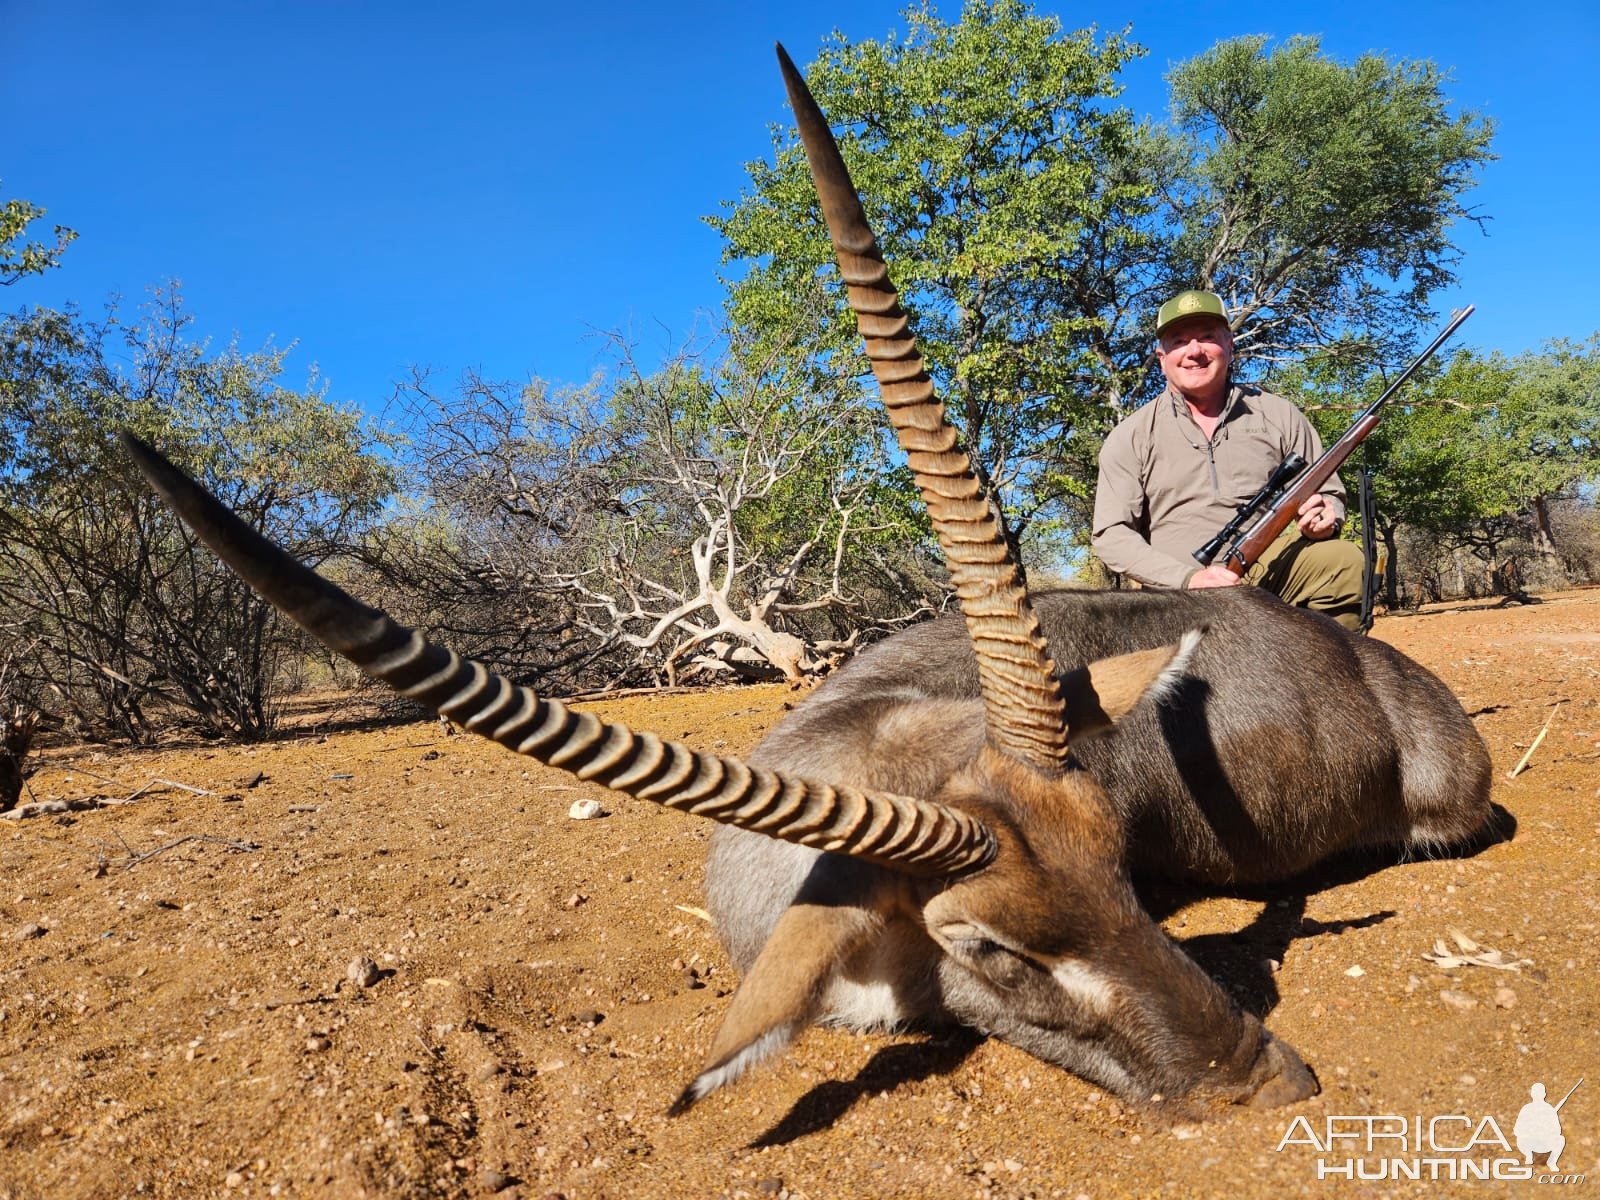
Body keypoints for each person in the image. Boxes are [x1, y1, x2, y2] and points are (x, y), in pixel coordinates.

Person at [1092, 289, 1365, 631]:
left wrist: (1326, 512)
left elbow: (1328, 492)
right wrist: (1189, 578)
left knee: (1341, 561)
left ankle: (1326, 681)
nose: (1194, 351)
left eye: (1208, 337)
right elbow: (1111, 535)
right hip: (1178, 593)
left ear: (1230, 346)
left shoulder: (1278, 414)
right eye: (1179, 341)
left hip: (1270, 575)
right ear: (1162, 357)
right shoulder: (1131, 435)